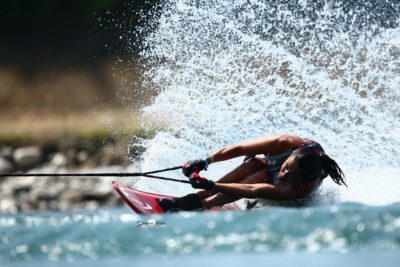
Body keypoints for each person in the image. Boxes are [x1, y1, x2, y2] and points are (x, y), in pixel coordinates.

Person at [157, 134, 346, 212]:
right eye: (286, 166)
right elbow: (240, 149)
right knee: (253, 163)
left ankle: (202, 203)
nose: (284, 174)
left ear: (301, 179)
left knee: (257, 177)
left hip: (291, 200)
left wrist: (211, 185)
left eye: (290, 174)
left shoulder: (302, 188)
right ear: (290, 155)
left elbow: (253, 188)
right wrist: (205, 162)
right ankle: (199, 196)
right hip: (264, 168)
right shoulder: (284, 143)